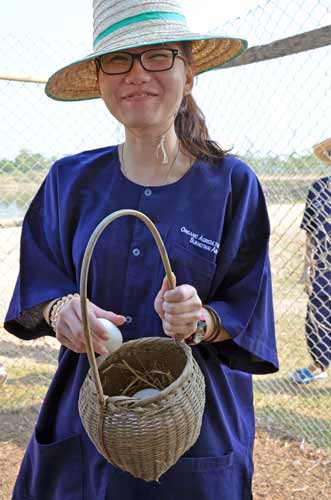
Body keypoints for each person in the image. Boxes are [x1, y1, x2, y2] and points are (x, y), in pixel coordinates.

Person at [4, 1, 278, 498]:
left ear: (188, 73)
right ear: (99, 77)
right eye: (118, 60)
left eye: (157, 57)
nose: (136, 75)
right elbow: (39, 288)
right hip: (88, 415)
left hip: (197, 426)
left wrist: (200, 320)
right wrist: (60, 309)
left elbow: (247, 304)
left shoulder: (233, 185)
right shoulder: (69, 181)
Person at [291, 138, 331, 384]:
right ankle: (319, 364)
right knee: (317, 314)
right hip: (324, 265)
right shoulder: (319, 190)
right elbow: (310, 234)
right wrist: (307, 269)